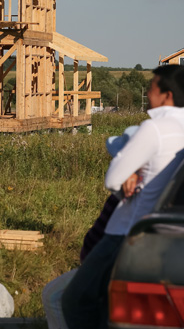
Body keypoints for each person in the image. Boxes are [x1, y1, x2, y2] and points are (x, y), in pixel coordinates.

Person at [61, 64, 184, 329]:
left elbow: (113, 179)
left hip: (123, 233)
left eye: (152, 88)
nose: (148, 93)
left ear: (166, 95)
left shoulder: (155, 128)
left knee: (76, 300)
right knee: (116, 311)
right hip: (160, 240)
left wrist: (128, 171)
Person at [42, 126, 140, 329]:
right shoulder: (125, 190)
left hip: (107, 270)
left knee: (54, 296)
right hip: (99, 267)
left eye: (118, 158)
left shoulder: (135, 194)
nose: (113, 162)